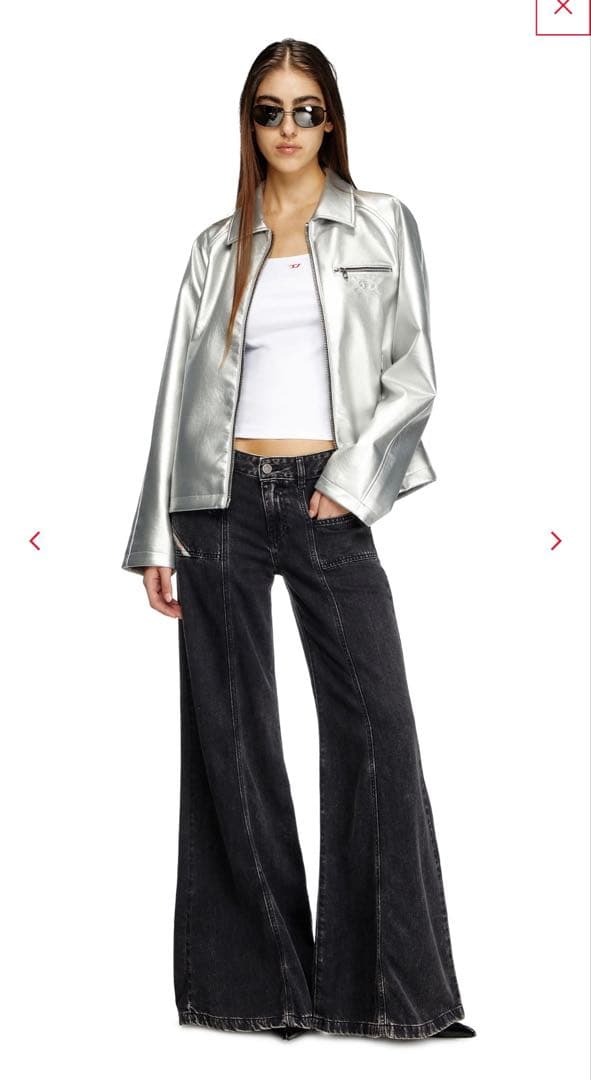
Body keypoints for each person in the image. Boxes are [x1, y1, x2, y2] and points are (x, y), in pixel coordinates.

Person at [122, 37, 476, 1042]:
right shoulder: (215, 246)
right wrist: (155, 534)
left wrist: (351, 485)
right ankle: (259, 993)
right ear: (250, 122)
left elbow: (414, 372)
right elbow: (175, 393)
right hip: (216, 503)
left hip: (328, 498)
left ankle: (390, 998)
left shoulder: (380, 222)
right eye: (270, 110)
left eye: (305, 109)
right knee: (230, 737)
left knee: (375, 730)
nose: (288, 127)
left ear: (331, 119)